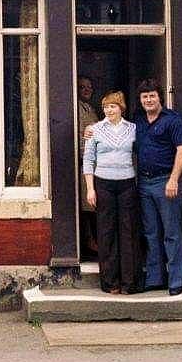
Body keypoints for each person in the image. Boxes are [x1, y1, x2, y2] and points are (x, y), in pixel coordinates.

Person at [132, 77, 182, 294]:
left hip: (166, 182)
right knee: (150, 232)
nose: (148, 100)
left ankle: (176, 280)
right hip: (144, 183)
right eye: (144, 96)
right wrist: (92, 129)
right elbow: (115, 130)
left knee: (171, 232)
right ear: (140, 99)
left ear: (160, 97)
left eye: (152, 96)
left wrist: (174, 179)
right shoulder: (137, 121)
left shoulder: (172, 119)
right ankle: (155, 277)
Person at [82, 91, 142, 295]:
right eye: (106, 106)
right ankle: (110, 283)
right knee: (106, 232)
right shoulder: (94, 130)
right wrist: (90, 188)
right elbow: (88, 160)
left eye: (113, 106)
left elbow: (140, 154)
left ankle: (129, 283)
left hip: (126, 183)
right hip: (103, 184)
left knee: (128, 232)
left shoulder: (133, 129)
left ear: (121, 108)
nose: (109, 110)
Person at [76, 76, 100, 256]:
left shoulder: (90, 108)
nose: (87, 90)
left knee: (92, 204)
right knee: (86, 205)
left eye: (89, 87)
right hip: (84, 161)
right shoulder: (76, 108)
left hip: (94, 162)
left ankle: (92, 240)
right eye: (82, 87)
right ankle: (88, 242)